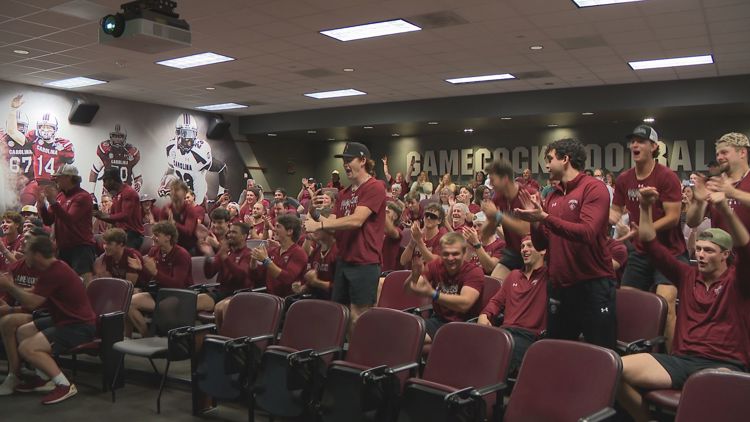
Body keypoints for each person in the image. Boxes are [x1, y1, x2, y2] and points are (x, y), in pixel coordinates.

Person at [617, 186, 750, 422]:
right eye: (698, 249)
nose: (700, 255)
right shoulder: (687, 275)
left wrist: (726, 212)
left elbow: (745, 247)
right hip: (681, 361)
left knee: (707, 397)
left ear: (725, 255)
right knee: (614, 370)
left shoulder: (739, 281)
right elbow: (649, 243)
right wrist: (645, 207)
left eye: (709, 251)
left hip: (724, 365)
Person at [515, 138, 616, 349]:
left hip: (592, 285)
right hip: (560, 287)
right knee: (558, 353)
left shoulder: (593, 188)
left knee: (602, 356)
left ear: (566, 159)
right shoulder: (552, 195)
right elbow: (542, 242)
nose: (547, 165)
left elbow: (587, 232)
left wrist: (544, 217)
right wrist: (535, 222)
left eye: (550, 159)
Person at [610, 125, 685, 352]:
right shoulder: (624, 179)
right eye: (632, 141)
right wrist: (615, 222)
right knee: (629, 304)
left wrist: (645, 230)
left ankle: (674, 358)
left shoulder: (666, 177)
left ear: (654, 147)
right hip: (640, 253)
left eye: (641, 141)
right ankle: (630, 356)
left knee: (666, 303)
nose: (635, 145)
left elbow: (673, 217)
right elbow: (615, 210)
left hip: (668, 251)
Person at [0, 235, 96, 404]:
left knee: (27, 348)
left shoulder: (56, 271)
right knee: (23, 331)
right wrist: (12, 287)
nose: (23, 254)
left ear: (37, 254)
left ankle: (64, 385)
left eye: (27, 252)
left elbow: (32, 303)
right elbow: (35, 291)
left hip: (78, 326)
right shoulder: (51, 268)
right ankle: (43, 378)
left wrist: (9, 286)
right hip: (64, 319)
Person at [303, 142, 387, 331]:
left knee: (359, 317)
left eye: (350, 160)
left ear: (363, 160)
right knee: (339, 314)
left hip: (365, 262)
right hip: (344, 261)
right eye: (344, 161)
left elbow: (357, 220)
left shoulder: (375, 187)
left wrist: (319, 224)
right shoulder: (343, 194)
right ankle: (340, 356)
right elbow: (333, 226)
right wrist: (314, 214)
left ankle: (361, 357)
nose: (345, 165)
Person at [478, 237, 547, 372]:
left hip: (529, 337)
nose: (524, 250)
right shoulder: (513, 275)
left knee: (495, 357)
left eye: (530, 246)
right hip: (505, 333)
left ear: (543, 250)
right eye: (522, 247)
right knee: (470, 344)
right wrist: (484, 315)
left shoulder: (549, 276)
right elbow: (496, 302)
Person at [404, 232, 483, 343]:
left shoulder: (474, 272)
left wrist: (433, 294)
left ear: (464, 253)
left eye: (455, 254)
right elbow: (408, 291)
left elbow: (464, 304)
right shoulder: (435, 265)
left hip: (463, 326)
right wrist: (414, 276)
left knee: (411, 339)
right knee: (402, 332)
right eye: (446, 254)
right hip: (438, 321)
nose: (450, 258)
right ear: (440, 252)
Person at [125, 221, 192, 337]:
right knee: (128, 302)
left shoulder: (181, 254)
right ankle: (146, 336)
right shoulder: (154, 251)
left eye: (157, 235)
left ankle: (168, 339)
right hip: (159, 291)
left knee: (164, 306)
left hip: (180, 295)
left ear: (168, 237)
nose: (152, 237)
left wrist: (155, 272)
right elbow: (148, 278)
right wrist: (141, 269)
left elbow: (177, 284)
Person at [37, 164, 96, 286]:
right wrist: (42, 205)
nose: (56, 180)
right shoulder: (60, 196)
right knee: (64, 282)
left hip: (81, 247)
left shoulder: (83, 196)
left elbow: (70, 219)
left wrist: (53, 202)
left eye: (59, 177)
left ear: (69, 178)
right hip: (64, 247)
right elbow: (48, 220)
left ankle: (87, 304)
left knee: (83, 282)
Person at [480, 159, 533, 281]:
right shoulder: (498, 197)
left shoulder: (527, 194)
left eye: (493, 180)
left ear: (505, 179)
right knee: (493, 284)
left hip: (533, 251)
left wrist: (498, 215)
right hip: (513, 251)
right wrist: (491, 219)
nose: (491, 184)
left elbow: (525, 229)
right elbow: (484, 235)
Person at [687, 132, 750, 235]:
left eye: (724, 152)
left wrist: (733, 193)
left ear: (742, 153)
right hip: (720, 249)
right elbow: (691, 223)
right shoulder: (714, 184)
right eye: (717, 154)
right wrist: (699, 202)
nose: (719, 158)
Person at [157, 113, 227, 205]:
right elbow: (170, 170)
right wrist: (162, 185)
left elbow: (222, 167)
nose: (188, 139)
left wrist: (221, 192)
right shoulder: (171, 147)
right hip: (181, 199)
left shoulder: (199, 152)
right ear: (177, 133)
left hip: (197, 200)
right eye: (185, 133)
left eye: (191, 133)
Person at [198, 223, 253, 327]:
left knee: (219, 308)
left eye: (234, 232)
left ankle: (221, 339)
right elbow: (209, 274)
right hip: (221, 292)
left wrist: (225, 259)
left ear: (244, 236)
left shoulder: (248, 254)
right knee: (194, 301)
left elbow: (240, 275)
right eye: (230, 232)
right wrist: (208, 256)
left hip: (238, 294)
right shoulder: (225, 252)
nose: (230, 235)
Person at [251, 214, 307, 298]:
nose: (274, 229)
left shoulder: (298, 253)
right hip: (269, 297)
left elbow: (287, 278)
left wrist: (266, 260)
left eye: (278, 226)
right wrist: (253, 259)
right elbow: (258, 276)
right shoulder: (273, 251)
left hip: (288, 301)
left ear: (289, 231)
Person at [94, 167, 144, 250]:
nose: (104, 185)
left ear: (111, 180)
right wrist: (98, 215)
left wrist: (104, 216)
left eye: (104, 181)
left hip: (132, 234)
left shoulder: (128, 192)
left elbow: (125, 215)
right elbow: (113, 217)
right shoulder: (116, 195)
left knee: (123, 255)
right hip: (120, 233)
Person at [88, 123, 142, 196]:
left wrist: (138, 184)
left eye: (120, 136)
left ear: (125, 137)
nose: (117, 139)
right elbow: (94, 172)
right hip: (108, 192)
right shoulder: (105, 150)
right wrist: (91, 193)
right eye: (115, 136)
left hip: (125, 192)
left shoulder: (131, 152)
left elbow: (138, 177)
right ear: (110, 136)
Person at [154, 179, 201, 255]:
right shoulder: (166, 209)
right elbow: (160, 230)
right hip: (169, 246)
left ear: (185, 192)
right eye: (172, 189)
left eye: (177, 189)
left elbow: (188, 232)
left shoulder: (190, 210)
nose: (174, 192)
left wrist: (174, 224)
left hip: (187, 247)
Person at [298, 219, 338, 300]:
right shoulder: (316, 251)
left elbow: (341, 289)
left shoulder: (338, 252)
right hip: (316, 300)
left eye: (317, 226)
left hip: (335, 304)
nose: (313, 230)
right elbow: (311, 281)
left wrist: (316, 282)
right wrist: (303, 287)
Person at [400, 203, 448, 267]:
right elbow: (403, 261)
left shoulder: (442, 237)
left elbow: (435, 264)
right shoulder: (419, 233)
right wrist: (412, 243)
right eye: (427, 215)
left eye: (433, 216)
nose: (428, 218)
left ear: (439, 221)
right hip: (414, 274)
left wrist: (419, 241)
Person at [381, 202, 403, 272]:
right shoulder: (376, 229)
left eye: (387, 212)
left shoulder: (398, 231)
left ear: (395, 216)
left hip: (386, 272)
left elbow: (391, 231)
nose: (383, 214)